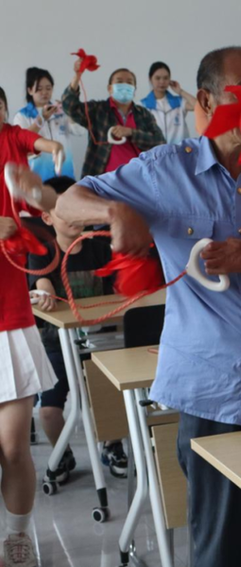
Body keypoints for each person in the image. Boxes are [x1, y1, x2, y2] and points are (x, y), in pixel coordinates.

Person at [53, 46, 241, 567]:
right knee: (219, 549)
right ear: (206, 99)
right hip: (212, 391)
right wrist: (115, 210)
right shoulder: (165, 170)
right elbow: (65, 206)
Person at [28, 176, 129, 480]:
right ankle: (62, 454)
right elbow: (41, 283)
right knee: (49, 411)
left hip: (99, 340)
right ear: (47, 217)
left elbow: (116, 289)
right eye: (64, 211)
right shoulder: (43, 252)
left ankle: (112, 445)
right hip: (55, 345)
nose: (74, 218)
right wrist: (44, 294)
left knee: (107, 399)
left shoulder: (98, 247)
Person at [0, 85, 63, 567]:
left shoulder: (11, 145)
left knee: (12, 446)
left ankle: (16, 538)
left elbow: (43, 213)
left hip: (8, 321)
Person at [62, 61, 165, 177]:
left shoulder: (143, 114)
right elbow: (69, 106)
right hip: (103, 181)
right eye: (120, 82)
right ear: (110, 88)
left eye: (129, 82)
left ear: (134, 89)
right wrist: (77, 76)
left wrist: (131, 132)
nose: (125, 86)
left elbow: (160, 142)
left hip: (139, 179)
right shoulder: (97, 110)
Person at [13, 68, 82, 181]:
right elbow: (21, 141)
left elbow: (80, 131)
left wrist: (69, 112)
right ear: (30, 90)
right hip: (37, 176)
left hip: (65, 173)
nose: (45, 92)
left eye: (48, 88)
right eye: (39, 89)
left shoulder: (61, 111)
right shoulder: (22, 116)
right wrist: (42, 118)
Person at [141, 62, 197, 145]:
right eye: (157, 78)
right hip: (155, 154)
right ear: (150, 79)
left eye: (166, 78)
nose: (162, 81)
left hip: (180, 153)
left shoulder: (179, 102)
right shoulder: (142, 105)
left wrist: (180, 91)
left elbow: (199, 106)